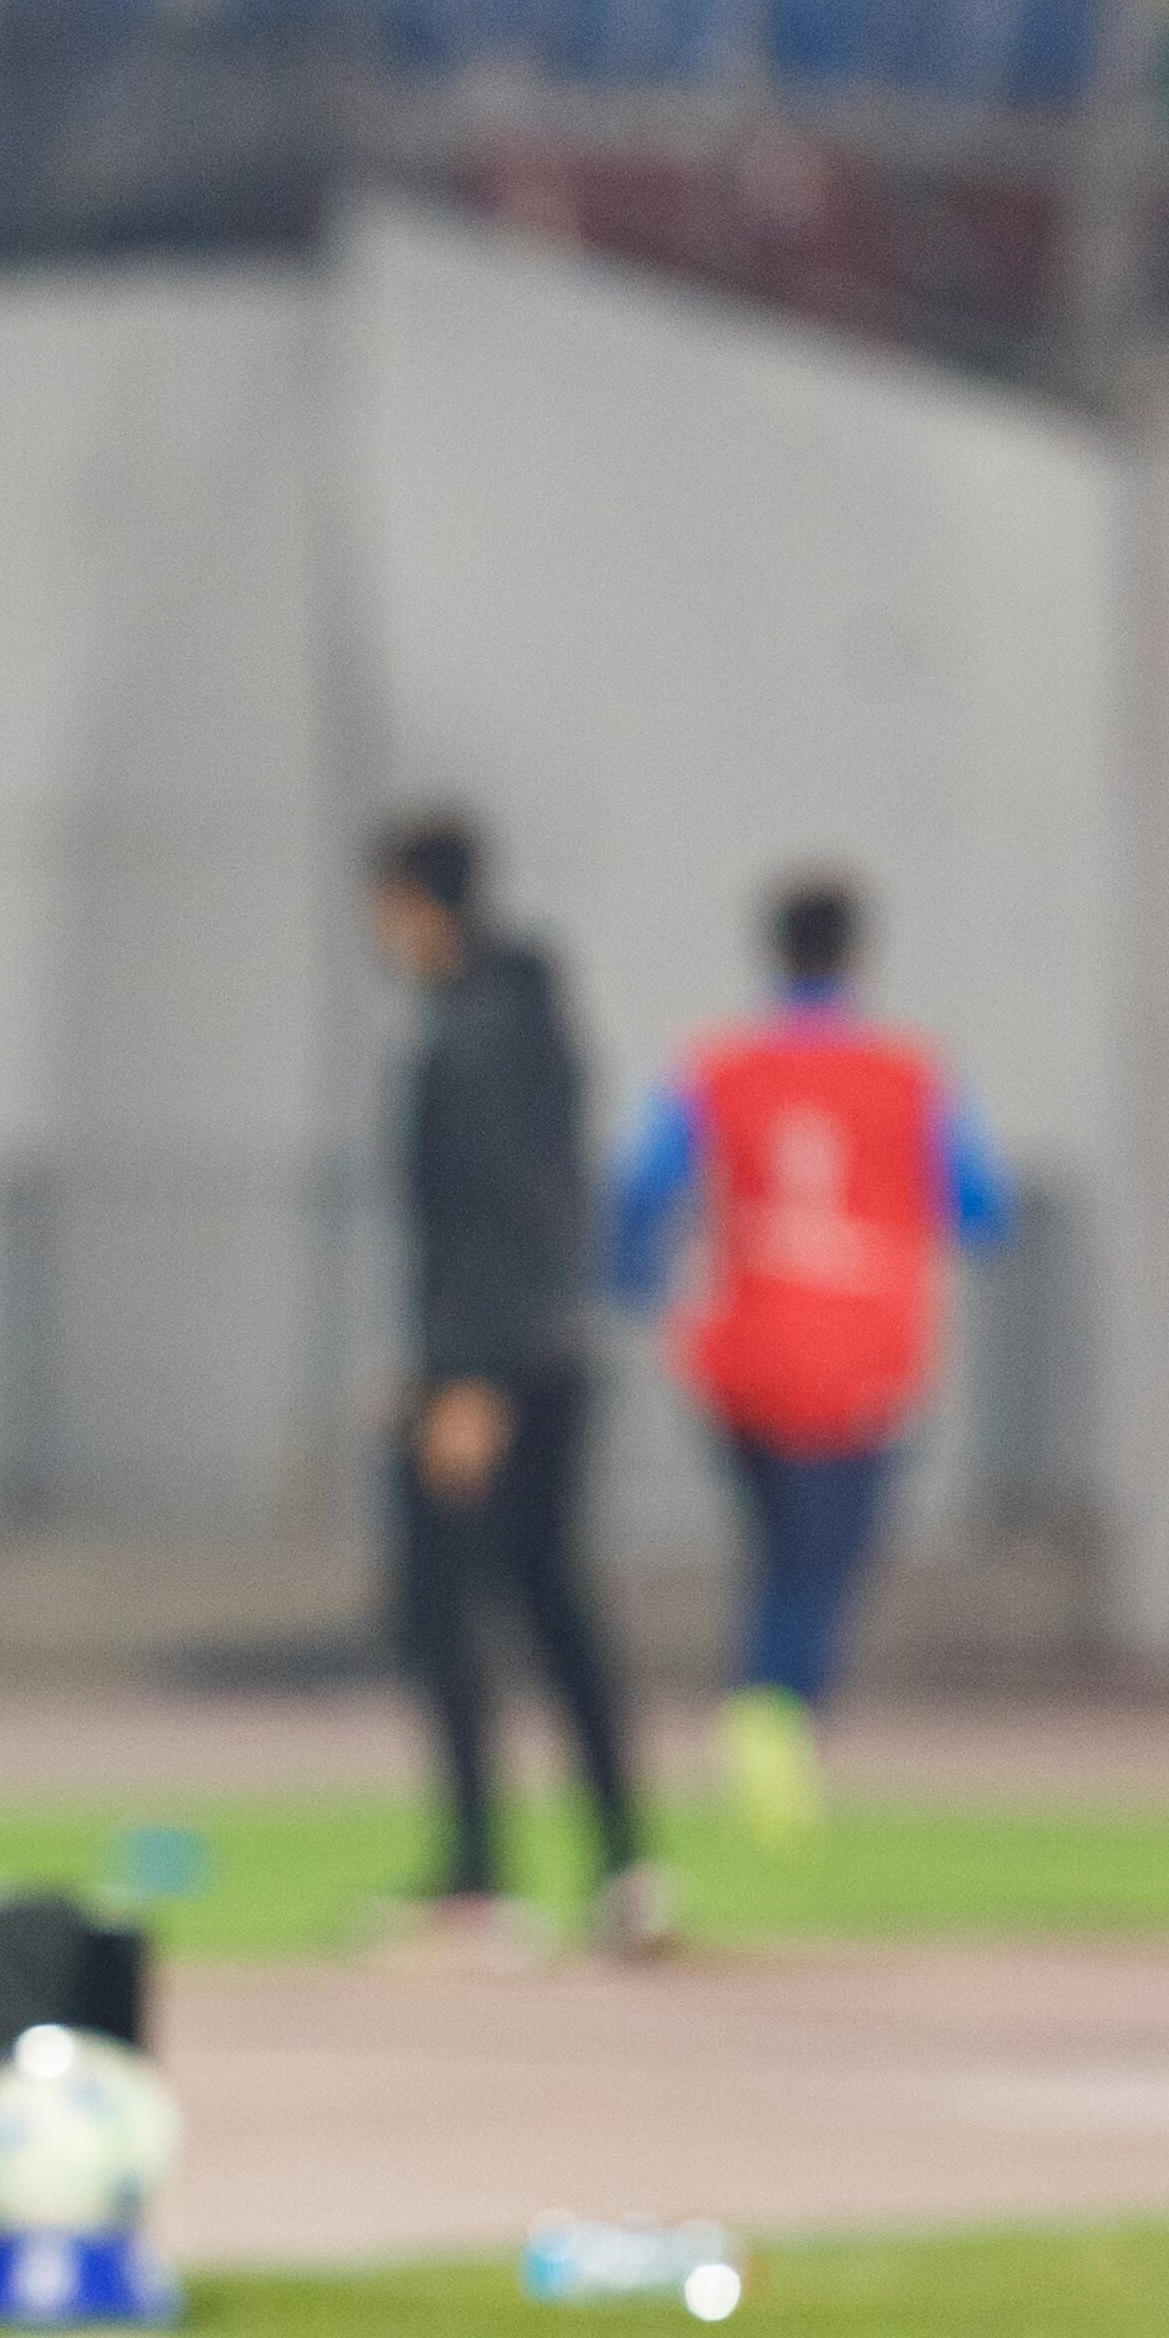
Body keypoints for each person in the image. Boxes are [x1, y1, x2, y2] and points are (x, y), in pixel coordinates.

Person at [607, 870, 1008, 1842]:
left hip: (741, 1352)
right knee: (820, 1563)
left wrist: (642, 1290)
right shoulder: (910, 1076)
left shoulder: (712, 1068)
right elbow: (980, 1205)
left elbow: (636, 1187)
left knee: (775, 1550)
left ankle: (763, 1719)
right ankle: (773, 1724)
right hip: (861, 1355)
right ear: (857, 957)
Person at [365, 812, 667, 1959]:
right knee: (552, 1608)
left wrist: (466, 1377)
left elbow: (496, 1215)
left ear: (410, 902)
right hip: (544, 1353)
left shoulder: (474, 1038)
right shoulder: (531, 1019)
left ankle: (480, 1877)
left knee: (442, 1612)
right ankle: (623, 1869)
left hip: (496, 1368)